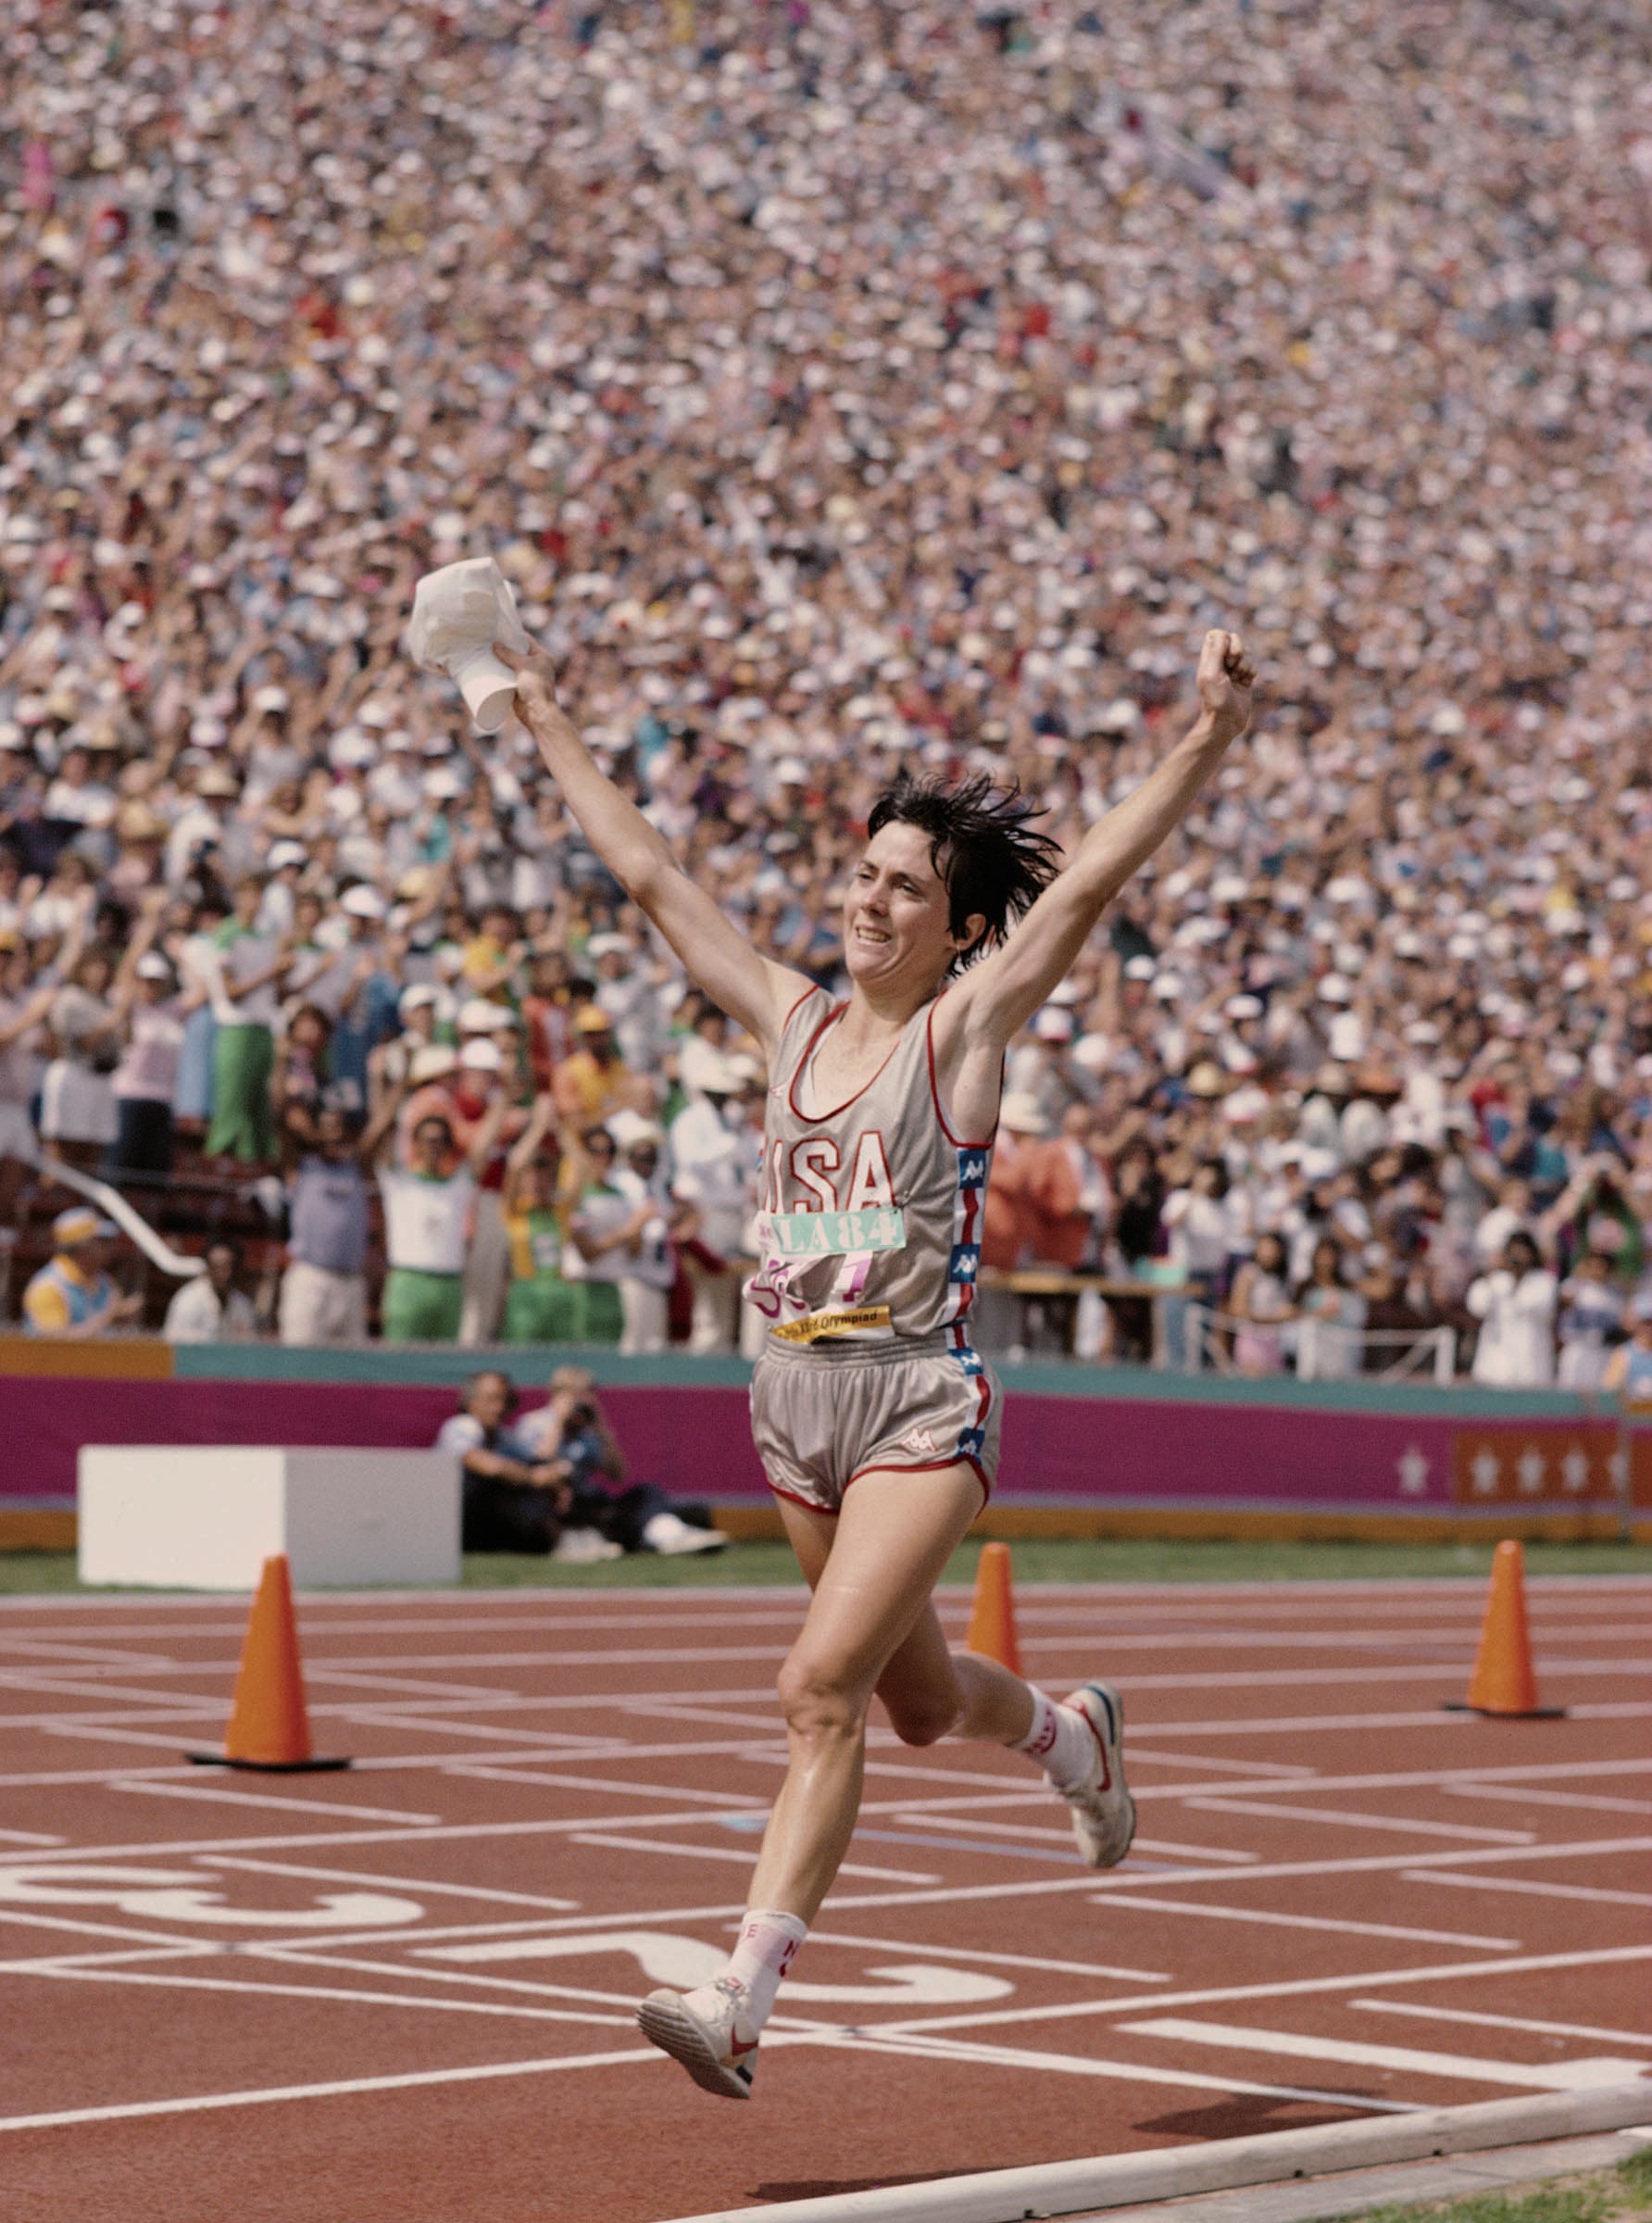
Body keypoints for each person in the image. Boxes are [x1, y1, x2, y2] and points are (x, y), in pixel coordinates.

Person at [499, 623, 1255, 2099]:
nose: (870, 898)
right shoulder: (787, 1018)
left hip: (917, 1400)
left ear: (961, 929)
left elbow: (1086, 885)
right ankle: (1071, 1738)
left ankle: (741, 1997)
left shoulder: (964, 1030)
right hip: (793, 1403)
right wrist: (539, 717)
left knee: (816, 1690)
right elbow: (652, 875)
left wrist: (1206, 738)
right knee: (914, 1706)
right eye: (864, 873)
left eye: (907, 886)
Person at [516, 1364, 728, 1554]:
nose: (586, 1402)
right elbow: (536, 1469)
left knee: (646, 1492)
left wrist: (600, 1428)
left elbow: (618, 1474)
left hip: (589, 1503)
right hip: (555, 1506)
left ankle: (667, 1534)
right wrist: (560, 1423)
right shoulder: (533, 1423)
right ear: (558, 1396)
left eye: (590, 1394)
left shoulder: (588, 1432)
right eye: (579, 1396)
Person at [433, 1367, 620, 1561]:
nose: (499, 1408)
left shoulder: (506, 1438)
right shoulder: (461, 1425)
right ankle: (559, 1539)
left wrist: (555, 1482)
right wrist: (534, 1477)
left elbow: (536, 1465)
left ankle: (566, 1538)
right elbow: (487, 1465)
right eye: (491, 1400)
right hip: (452, 1519)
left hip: (487, 1525)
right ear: (470, 1403)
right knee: (509, 1485)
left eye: (505, 1401)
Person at [22, 1207, 144, 1338]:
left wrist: (124, 1319)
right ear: (80, 1246)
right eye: (102, 1241)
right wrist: (110, 1317)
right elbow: (55, 1342)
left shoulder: (105, 1282)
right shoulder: (48, 1286)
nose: (111, 1247)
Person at [163, 1237, 258, 1342]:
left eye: (228, 1266)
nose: (223, 1274)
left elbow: (249, 1340)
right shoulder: (188, 1299)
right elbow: (174, 1338)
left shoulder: (242, 1304)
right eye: (216, 1267)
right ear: (207, 1267)